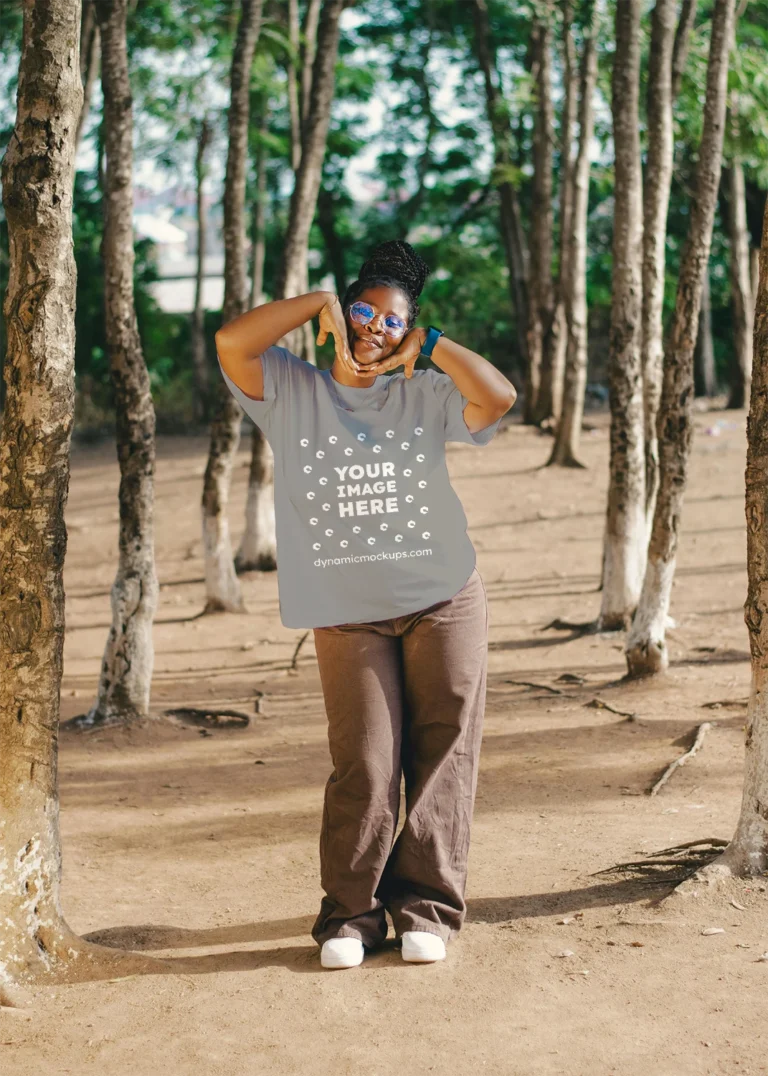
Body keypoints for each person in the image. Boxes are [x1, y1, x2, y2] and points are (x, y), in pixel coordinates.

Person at [215, 239, 516, 969]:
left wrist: (432, 346)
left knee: (445, 753)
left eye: (393, 320)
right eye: (361, 311)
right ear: (341, 315)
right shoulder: (290, 389)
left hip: (442, 597)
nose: (373, 327)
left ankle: (428, 909)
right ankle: (350, 914)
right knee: (366, 764)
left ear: (408, 330)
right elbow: (231, 340)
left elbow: (498, 395)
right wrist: (315, 303)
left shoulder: (425, 390)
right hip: (347, 611)